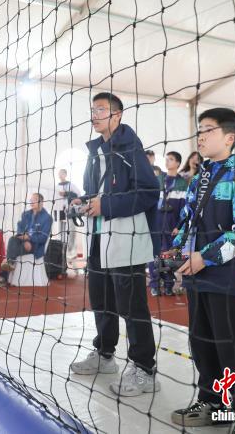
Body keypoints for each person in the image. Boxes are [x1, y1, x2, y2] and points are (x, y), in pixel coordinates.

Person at [170, 108, 235, 433]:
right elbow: (187, 221)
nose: (201, 135)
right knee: (202, 343)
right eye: (199, 129)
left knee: (233, 347)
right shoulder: (200, 178)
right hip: (199, 276)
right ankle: (212, 401)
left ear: (229, 138)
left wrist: (204, 257)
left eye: (208, 129)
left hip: (230, 276)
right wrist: (178, 251)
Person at [68, 92, 161, 398]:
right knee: (102, 299)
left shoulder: (130, 147)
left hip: (127, 239)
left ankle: (144, 369)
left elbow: (149, 192)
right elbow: (93, 192)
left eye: (101, 110)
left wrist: (106, 205)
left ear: (117, 115)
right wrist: (83, 202)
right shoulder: (95, 151)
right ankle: (105, 355)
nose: (94, 114)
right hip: (99, 238)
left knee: (132, 307)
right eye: (92, 109)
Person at [148, 151, 188, 296]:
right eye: (166, 159)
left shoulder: (183, 183)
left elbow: (185, 208)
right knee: (154, 255)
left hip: (172, 225)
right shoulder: (158, 179)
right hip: (156, 223)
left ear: (178, 163)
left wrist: (179, 226)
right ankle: (154, 284)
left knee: (169, 255)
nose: (167, 162)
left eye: (171, 159)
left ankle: (169, 284)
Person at [0, 193, 52, 284]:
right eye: (31, 200)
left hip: (36, 246)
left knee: (13, 248)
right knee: (12, 239)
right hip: (24, 242)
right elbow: (20, 228)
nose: (32, 202)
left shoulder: (47, 218)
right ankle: (9, 264)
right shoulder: (26, 214)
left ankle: (5, 273)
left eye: (35, 199)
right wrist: (26, 240)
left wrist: (30, 238)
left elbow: (43, 238)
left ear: (41, 202)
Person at [52, 168, 82, 262]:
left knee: (71, 231)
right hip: (59, 211)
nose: (60, 175)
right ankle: (62, 252)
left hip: (70, 210)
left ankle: (71, 252)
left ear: (65, 174)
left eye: (62, 173)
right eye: (59, 174)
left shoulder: (71, 185)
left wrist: (66, 193)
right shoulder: (56, 186)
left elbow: (78, 195)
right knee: (61, 232)